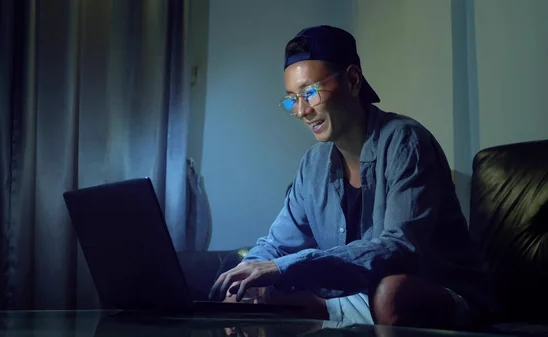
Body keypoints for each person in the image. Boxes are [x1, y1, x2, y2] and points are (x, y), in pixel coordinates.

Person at [209, 25, 494, 330]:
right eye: (292, 99)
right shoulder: (313, 165)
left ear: (353, 80)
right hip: (357, 297)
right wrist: (246, 274)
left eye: (310, 92)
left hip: (435, 293)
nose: (302, 111)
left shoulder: (407, 143)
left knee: (391, 293)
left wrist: (286, 267)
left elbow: (399, 249)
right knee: (248, 297)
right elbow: (278, 243)